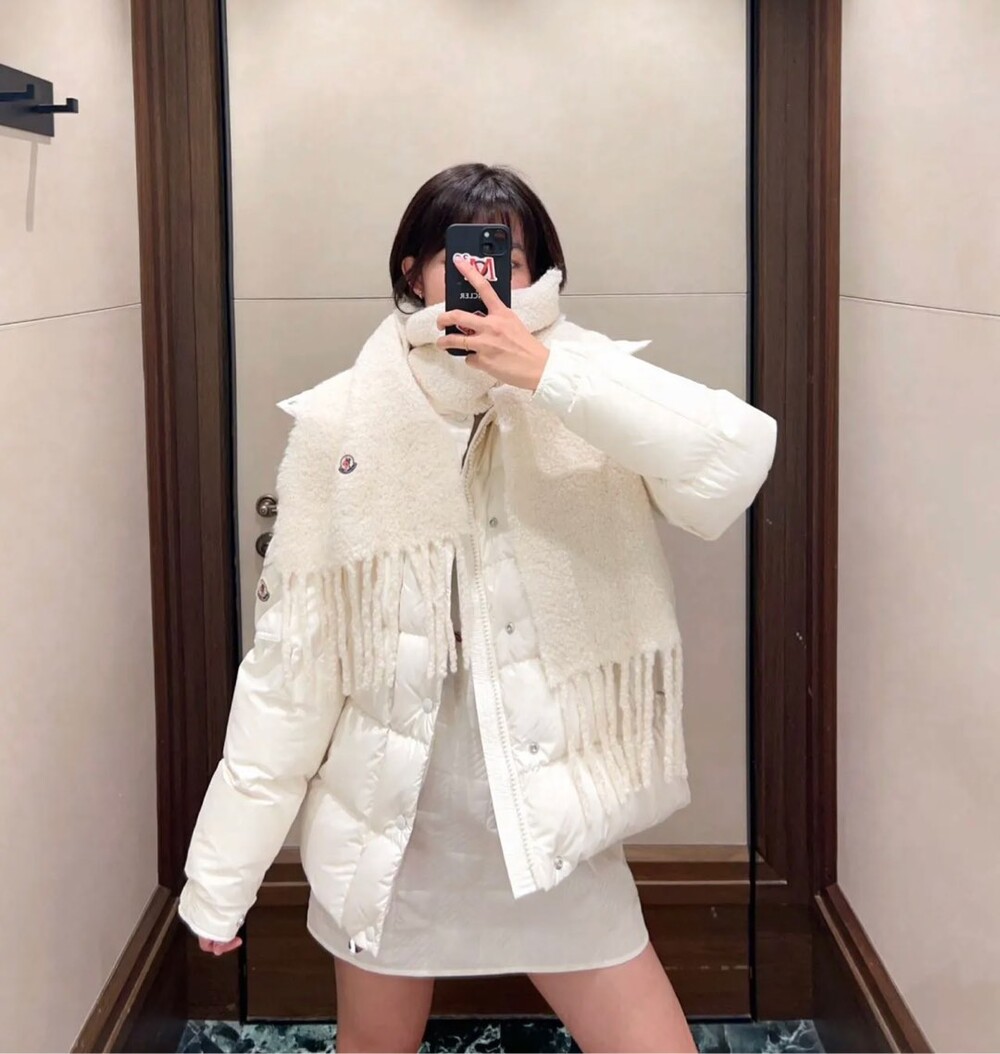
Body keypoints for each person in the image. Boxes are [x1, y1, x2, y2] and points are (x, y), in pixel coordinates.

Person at [177, 163, 777, 1053]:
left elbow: (734, 460)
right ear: (415, 271)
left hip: (551, 812)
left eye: (512, 258)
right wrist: (222, 880)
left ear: (541, 272)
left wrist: (548, 375)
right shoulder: (343, 421)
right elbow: (291, 669)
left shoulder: (588, 384)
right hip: (392, 827)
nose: (490, 278)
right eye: (463, 256)